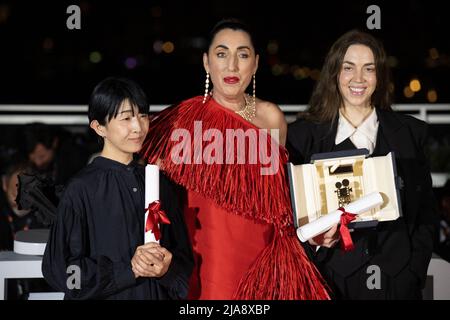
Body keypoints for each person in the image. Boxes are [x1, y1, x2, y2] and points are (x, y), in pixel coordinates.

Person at [140, 19, 329, 300]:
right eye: (221, 54)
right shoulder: (180, 119)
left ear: (254, 64)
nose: (232, 66)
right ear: (206, 63)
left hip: (264, 254)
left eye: (242, 55)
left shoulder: (271, 117)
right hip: (206, 256)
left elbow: (280, 195)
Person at [287, 30, 437, 299]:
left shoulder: (410, 134)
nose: (359, 78)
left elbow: (426, 214)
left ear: (379, 76)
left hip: (397, 286)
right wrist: (316, 246)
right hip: (329, 284)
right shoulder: (302, 138)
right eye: (348, 68)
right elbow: (288, 223)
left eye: (369, 69)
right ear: (335, 73)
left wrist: (412, 273)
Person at [42, 77, 193, 299]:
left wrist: (166, 270)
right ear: (99, 127)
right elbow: (61, 272)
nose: (138, 127)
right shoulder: (81, 189)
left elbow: (184, 256)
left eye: (142, 115)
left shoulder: (159, 183)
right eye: (126, 118)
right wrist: (127, 270)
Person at [22, 122, 88, 186]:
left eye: (42, 156)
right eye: (32, 158)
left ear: (54, 143)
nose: (38, 163)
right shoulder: (22, 165)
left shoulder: (74, 161)